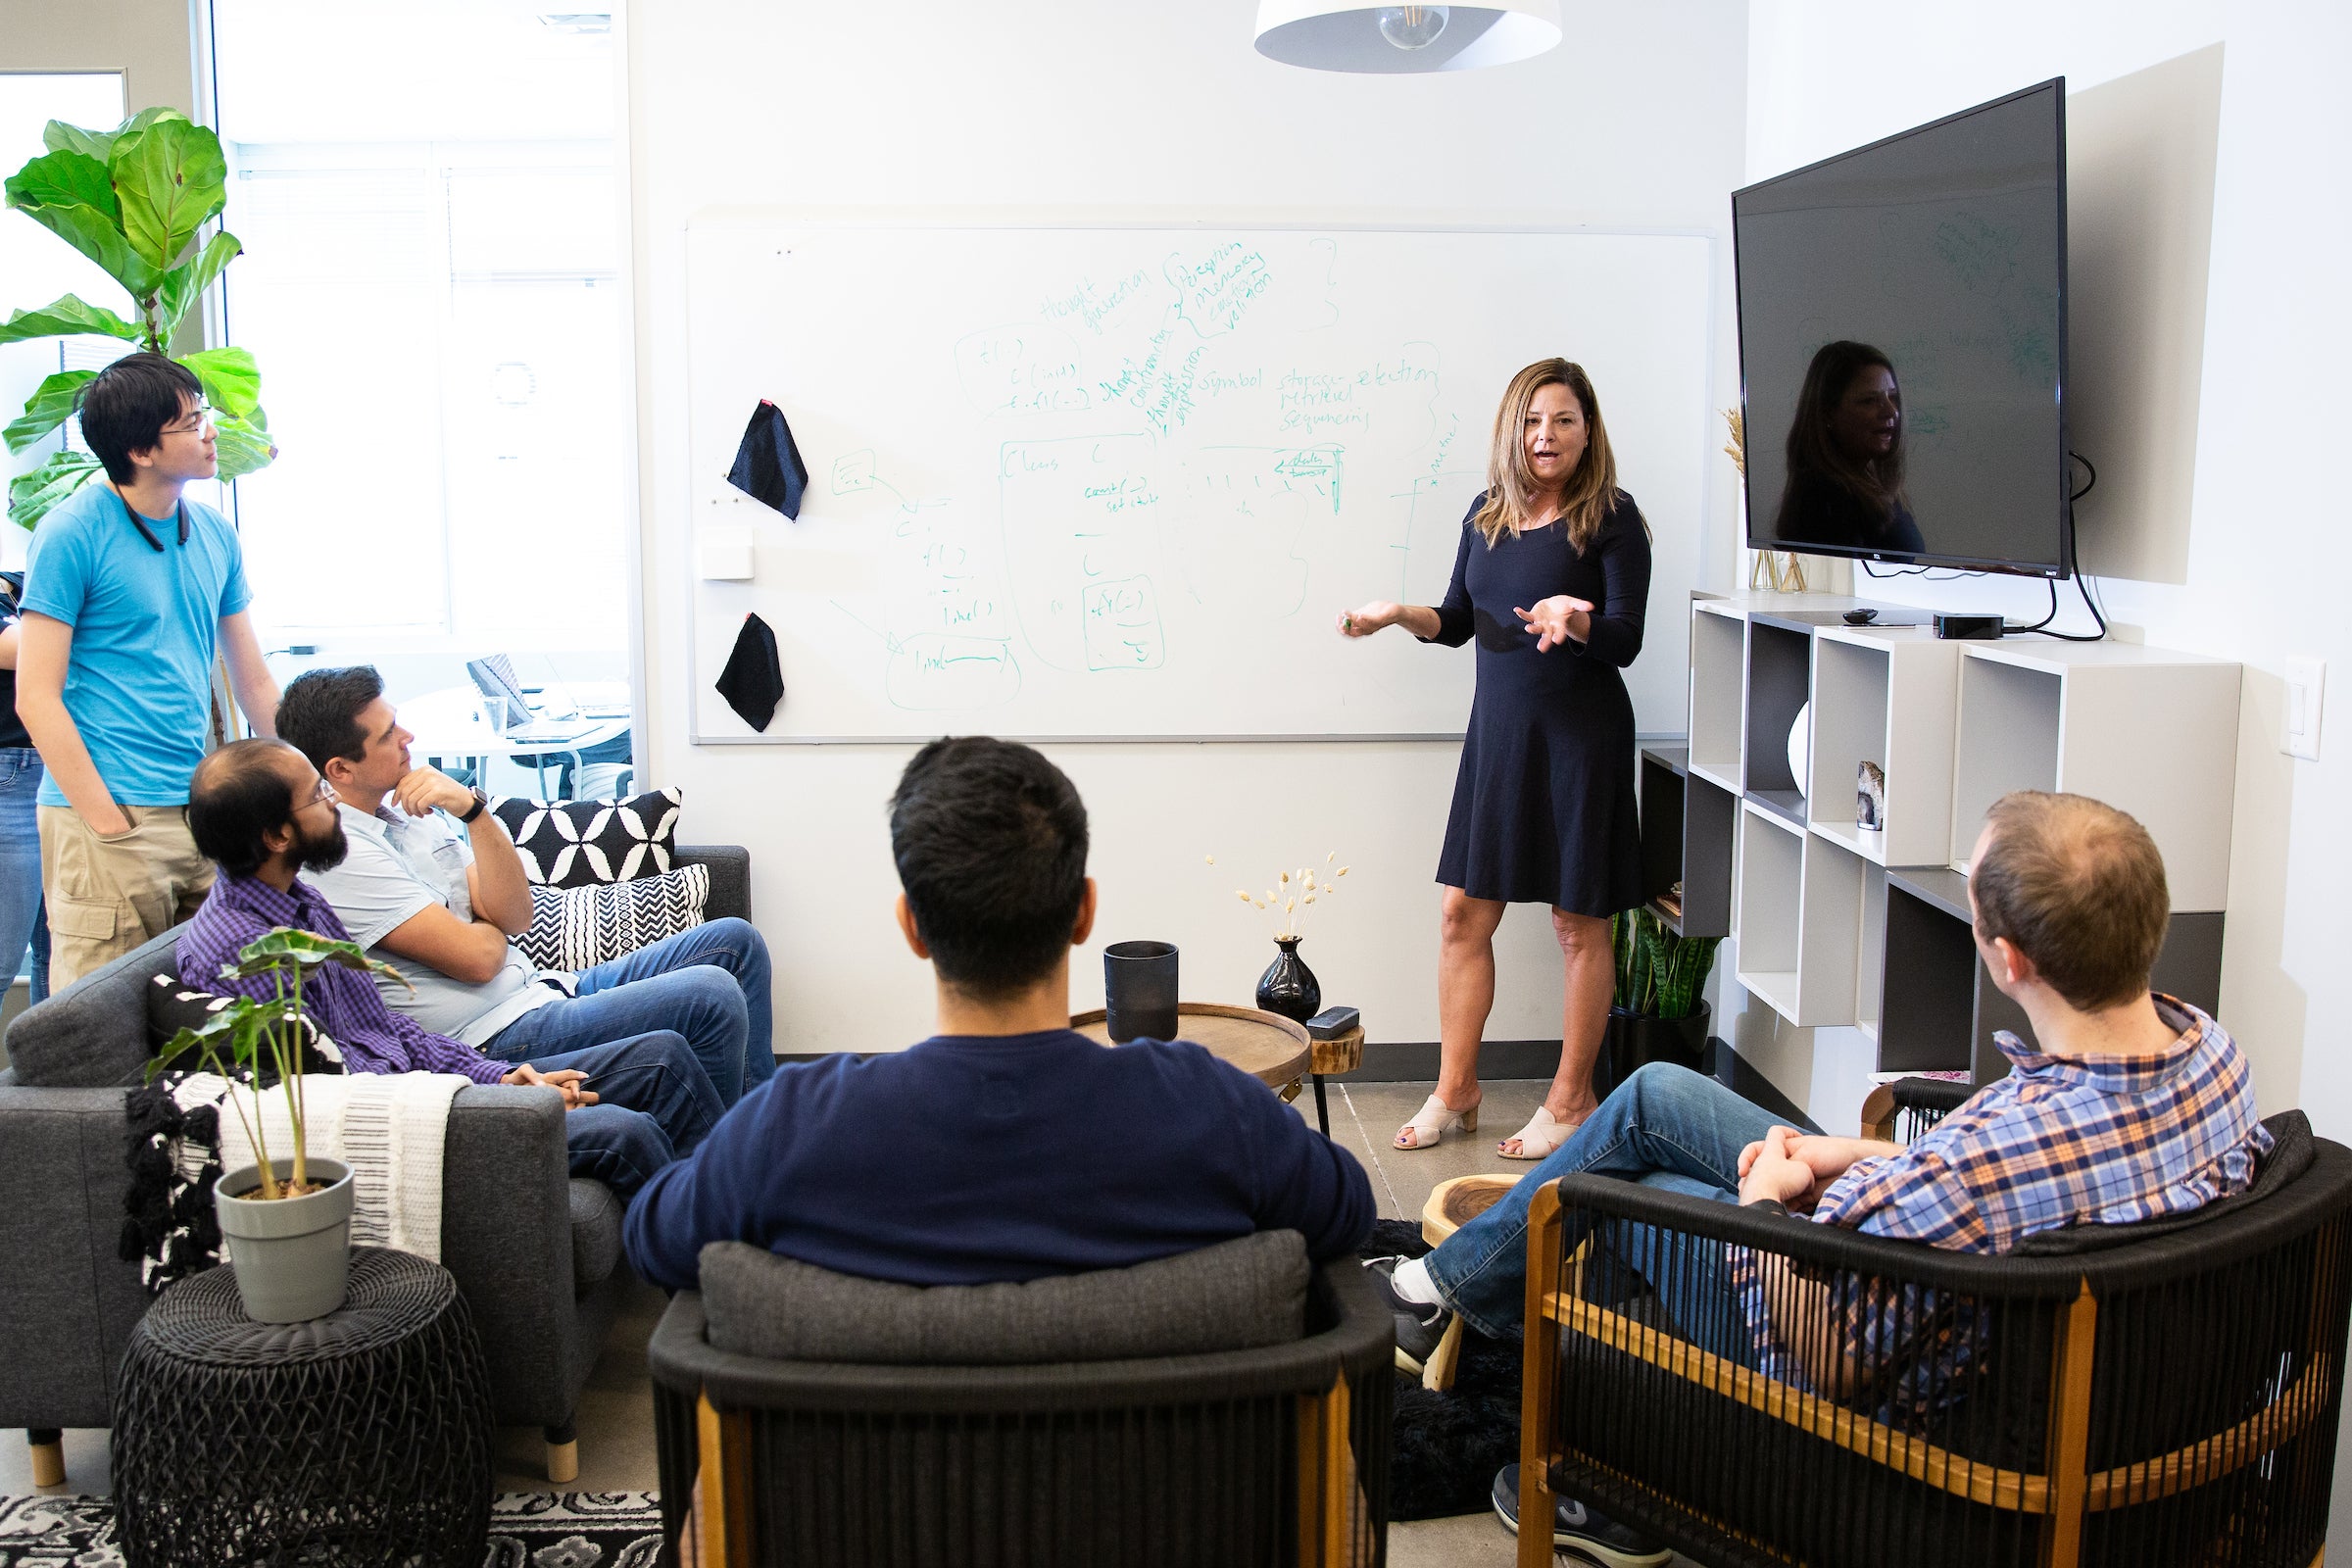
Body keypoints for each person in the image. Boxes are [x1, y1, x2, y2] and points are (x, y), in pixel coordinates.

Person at [1365, 791, 2272, 1565]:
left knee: (1625, 1198)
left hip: (1869, 1421)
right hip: (1979, 1306)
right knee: (1653, 1100)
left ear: (2009, 960)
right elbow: (2013, 1180)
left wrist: (1764, 1209)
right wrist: (1845, 1156)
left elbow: (1828, 1361)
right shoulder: (2207, 1054)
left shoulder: (1976, 1164)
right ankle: (1440, 1289)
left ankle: (1625, 1474)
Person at [623, 735, 1374, 1291]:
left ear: (911, 926)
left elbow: (654, 1240)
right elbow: (1348, 1213)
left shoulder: (786, 1130)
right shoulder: (1216, 1114)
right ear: (1084, 913)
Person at [1337, 359, 1652, 1160]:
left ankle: (1571, 1100)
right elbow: (1455, 619)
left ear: (1589, 430)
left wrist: (1574, 618)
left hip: (1582, 744)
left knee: (1578, 926)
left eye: (1564, 421)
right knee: (1461, 916)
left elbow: (1626, 639)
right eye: (1532, 420)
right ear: (1512, 428)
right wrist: (1395, 614)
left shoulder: (1612, 517)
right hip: (1502, 740)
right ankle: (1458, 1090)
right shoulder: (1486, 513)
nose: (1546, 436)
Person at [179, 739, 724, 1200]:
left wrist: (500, 1077)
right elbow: (341, 1091)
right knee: (624, 1130)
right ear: (276, 837)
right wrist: (490, 1093)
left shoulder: (301, 902)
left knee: (665, 1054)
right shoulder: (241, 953)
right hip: (412, 1116)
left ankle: (736, 1218)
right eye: (318, 796)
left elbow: (388, 1030)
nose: (332, 803)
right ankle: (705, 1264)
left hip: (444, 1077)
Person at [273, 666, 776, 1104]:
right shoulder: (339, 857)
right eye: (387, 735)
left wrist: (473, 812)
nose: (407, 736)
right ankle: (729, 1168)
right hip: (493, 1035)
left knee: (735, 942)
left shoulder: (408, 811)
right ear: (340, 769)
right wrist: (484, 927)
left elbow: (515, 917)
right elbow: (481, 959)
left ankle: (763, 1129)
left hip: (539, 990)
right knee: (710, 994)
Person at [14, 355, 281, 989]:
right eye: (190, 423)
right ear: (140, 448)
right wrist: (106, 822)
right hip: (110, 817)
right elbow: (36, 696)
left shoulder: (214, 533)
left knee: (212, 1015)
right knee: (97, 1036)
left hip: (201, 813)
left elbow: (254, 681)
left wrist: (311, 775)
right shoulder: (71, 532)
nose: (210, 432)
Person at [1770, 340, 1925, 556]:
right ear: (1828, 413)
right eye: (1870, 400)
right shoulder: (1824, 501)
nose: (1891, 412)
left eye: (1892, 397)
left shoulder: (1872, 484)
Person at [0, 570, 52, 1005]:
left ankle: (52, 1074)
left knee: (58, 958)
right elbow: (24, 652)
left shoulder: (19, 584)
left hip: (55, 777)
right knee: (2, 960)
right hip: (9, 780)